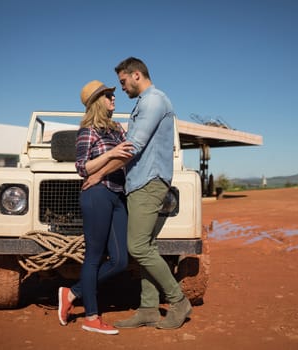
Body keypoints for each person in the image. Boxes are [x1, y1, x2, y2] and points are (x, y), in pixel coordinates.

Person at [82, 57, 192, 330]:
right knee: (148, 246)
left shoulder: (154, 101)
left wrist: (98, 173)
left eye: (123, 82)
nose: (122, 89)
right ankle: (148, 309)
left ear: (136, 75)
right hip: (140, 183)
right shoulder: (144, 104)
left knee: (138, 247)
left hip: (148, 182)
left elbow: (134, 147)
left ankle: (178, 301)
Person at [57, 80, 133, 335]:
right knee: (94, 257)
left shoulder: (118, 129)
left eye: (112, 94)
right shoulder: (88, 130)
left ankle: (73, 292)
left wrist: (118, 155)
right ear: (96, 102)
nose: (114, 98)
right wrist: (110, 155)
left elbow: (129, 154)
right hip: (96, 194)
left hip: (118, 195)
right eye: (108, 95)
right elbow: (81, 168)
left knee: (121, 260)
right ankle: (91, 317)